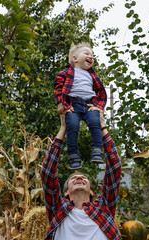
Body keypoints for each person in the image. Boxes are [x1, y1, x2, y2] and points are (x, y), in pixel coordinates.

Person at [40, 107, 122, 240]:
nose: (79, 177)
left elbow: (115, 167)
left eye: (83, 177)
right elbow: (47, 173)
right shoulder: (58, 210)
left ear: (91, 191)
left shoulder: (103, 208)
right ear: (66, 192)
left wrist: (101, 125)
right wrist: (63, 128)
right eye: (73, 178)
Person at [53, 42, 107, 170]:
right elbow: (58, 86)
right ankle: (73, 156)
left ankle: (97, 150)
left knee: (95, 123)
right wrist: (61, 103)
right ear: (75, 59)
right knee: (72, 125)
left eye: (92, 55)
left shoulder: (92, 75)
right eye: (87, 54)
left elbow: (100, 92)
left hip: (89, 104)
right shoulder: (67, 72)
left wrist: (99, 106)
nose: (91, 57)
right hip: (72, 104)